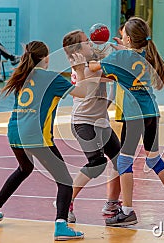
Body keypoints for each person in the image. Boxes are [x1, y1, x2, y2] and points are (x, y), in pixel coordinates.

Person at [0, 41, 87, 241]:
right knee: (65, 181)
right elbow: (82, 93)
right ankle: (61, 226)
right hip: (36, 136)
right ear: (45, 58)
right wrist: (80, 71)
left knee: (24, 169)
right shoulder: (51, 78)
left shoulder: (22, 77)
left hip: (14, 133)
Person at [89, 17, 164, 226]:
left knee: (124, 161)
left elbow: (94, 67)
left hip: (134, 116)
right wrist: (119, 48)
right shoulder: (146, 54)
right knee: (153, 160)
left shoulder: (120, 57)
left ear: (127, 38)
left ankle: (127, 211)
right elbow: (126, 59)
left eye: (124, 34)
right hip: (152, 112)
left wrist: (94, 53)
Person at [62, 30, 121, 223]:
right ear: (78, 51)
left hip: (101, 122)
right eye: (87, 42)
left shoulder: (87, 64)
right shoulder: (88, 68)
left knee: (121, 163)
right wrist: (122, 51)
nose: (91, 44)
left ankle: (112, 202)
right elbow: (114, 72)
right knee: (96, 163)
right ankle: (66, 202)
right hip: (84, 122)